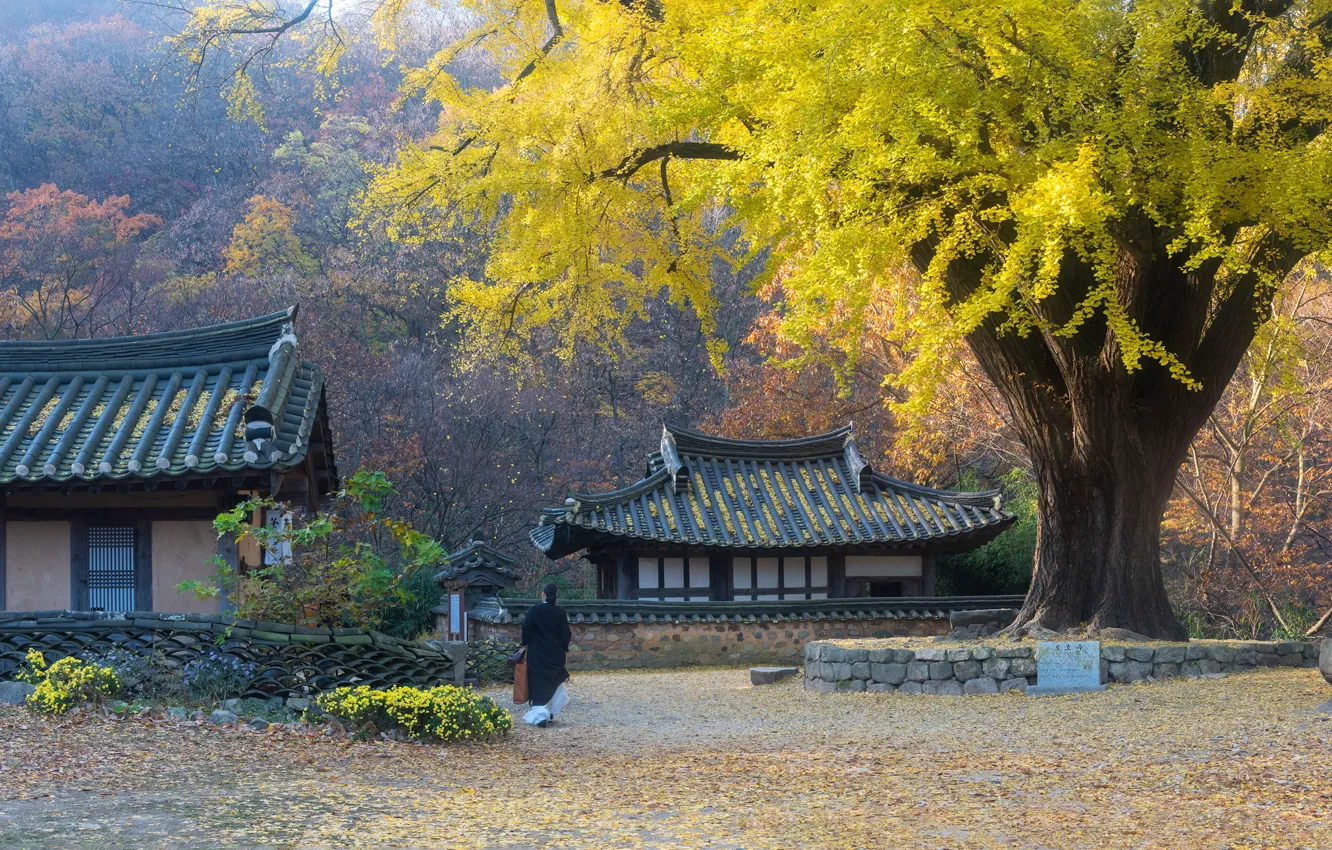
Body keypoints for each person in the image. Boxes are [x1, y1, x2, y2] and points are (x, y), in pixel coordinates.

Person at [519, 582, 571, 727]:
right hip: (555, 654)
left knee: (538, 683)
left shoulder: (535, 610)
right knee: (553, 681)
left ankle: (540, 716)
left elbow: (526, 628)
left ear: (543, 594)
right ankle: (548, 711)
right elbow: (566, 634)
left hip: (537, 653)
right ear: (556, 596)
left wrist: (525, 642)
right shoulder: (560, 613)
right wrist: (562, 646)